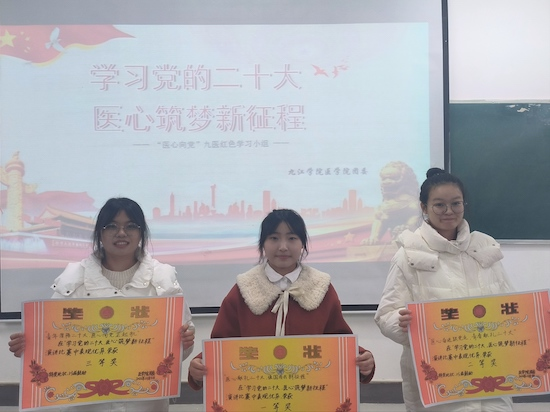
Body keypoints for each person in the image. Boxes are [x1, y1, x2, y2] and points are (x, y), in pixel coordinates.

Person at [8, 197, 195, 412]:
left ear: (141, 232)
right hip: (87, 404)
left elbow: (180, 347)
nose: (121, 233)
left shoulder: (163, 278)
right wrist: (29, 346)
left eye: (131, 226)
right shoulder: (73, 279)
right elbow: (50, 340)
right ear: (99, 233)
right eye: (112, 226)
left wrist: (184, 342)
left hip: (145, 403)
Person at [374, 168, 515, 412]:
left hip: (490, 370)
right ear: (424, 207)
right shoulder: (409, 253)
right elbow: (386, 314)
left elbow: (510, 302)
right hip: (440, 379)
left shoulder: (484, 247)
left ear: (464, 204)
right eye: (439, 205)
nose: (449, 211)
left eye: (456, 203)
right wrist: (400, 322)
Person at [188, 208, 375, 389]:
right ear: (263, 244)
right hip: (256, 393)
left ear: (302, 244)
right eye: (274, 238)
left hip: (308, 393)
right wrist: (199, 366)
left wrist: (363, 360)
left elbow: (340, 341)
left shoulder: (321, 287)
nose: (283, 247)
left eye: (292, 238)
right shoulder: (244, 288)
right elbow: (220, 345)